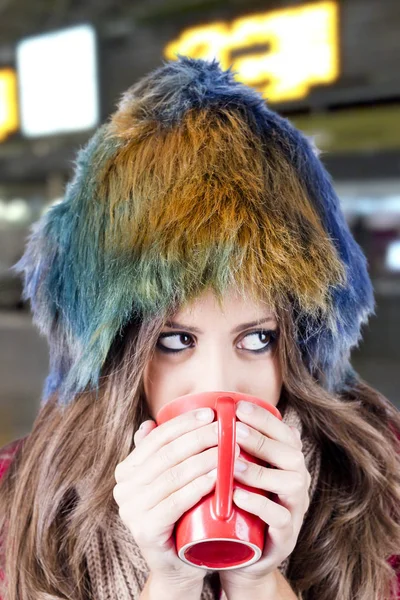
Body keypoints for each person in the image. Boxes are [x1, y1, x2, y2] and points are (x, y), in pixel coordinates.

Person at [0, 55, 399, 600]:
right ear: (115, 349)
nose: (220, 384)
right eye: (175, 341)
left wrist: (260, 580)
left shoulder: (379, 481)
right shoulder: (20, 494)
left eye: (258, 339)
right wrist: (170, 581)